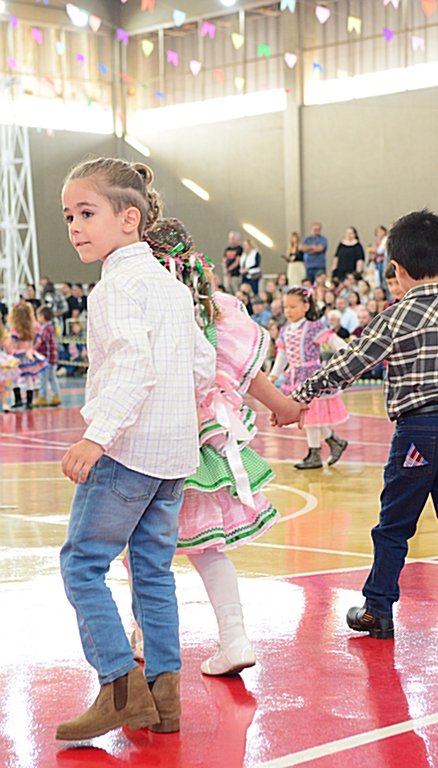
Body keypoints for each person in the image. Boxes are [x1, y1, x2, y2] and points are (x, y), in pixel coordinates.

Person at [279, 209, 438, 653]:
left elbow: (348, 366)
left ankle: (379, 611)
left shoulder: (394, 316)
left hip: (417, 432)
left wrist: (300, 398)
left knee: (394, 526)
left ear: (398, 269)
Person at [56, 157, 215, 741]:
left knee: (82, 565)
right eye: (70, 215)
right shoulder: (171, 288)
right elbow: (200, 365)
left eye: (87, 213)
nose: (75, 226)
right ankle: (164, 697)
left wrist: (97, 433)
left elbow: (132, 366)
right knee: (152, 571)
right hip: (174, 458)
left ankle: (120, 687)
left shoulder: (114, 288)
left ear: (130, 219)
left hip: (126, 453)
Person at [138, 219, 302, 677]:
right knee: (208, 550)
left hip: (153, 439)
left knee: (140, 545)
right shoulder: (215, 314)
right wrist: (284, 406)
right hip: (208, 440)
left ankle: (141, 632)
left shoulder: (148, 309)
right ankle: (235, 637)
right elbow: (246, 378)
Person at [270, 287, 349, 469]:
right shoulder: (285, 330)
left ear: (306, 306)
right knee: (311, 417)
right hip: (294, 378)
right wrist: (273, 374)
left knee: (310, 416)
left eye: (293, 306)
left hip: (313, 377)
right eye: (286, 307)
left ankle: (315, 453)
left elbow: (333, 341)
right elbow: (282, 354)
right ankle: (333, 442)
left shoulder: (314, 327)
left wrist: (347, 355)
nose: (288, 311)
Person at [3, 303, 47, 410]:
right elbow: (39, 340)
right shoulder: (35, 326)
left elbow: (12, 342)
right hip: (30, 354)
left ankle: (18, 400)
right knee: (29, 378)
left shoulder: (15, 329)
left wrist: (10, 350)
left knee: (14, 378)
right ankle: (29, 401)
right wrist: (32, 348)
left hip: (18, 355)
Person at [35, 306, 62, 407]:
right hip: (53, 357)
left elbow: (41, 340)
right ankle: (56, 395)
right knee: (52, 377)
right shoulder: (52, 327)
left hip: (46, 358)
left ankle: (42, 397)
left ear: (42, 317)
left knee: (43, 378)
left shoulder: (44, 328)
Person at [0, 318, 20, 413]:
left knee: (1, 384)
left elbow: (8, 348)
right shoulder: (4, 333)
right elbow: (8, 349)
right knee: (1, 384)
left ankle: (4, 403)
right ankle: (4, 403)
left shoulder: (4, 334)